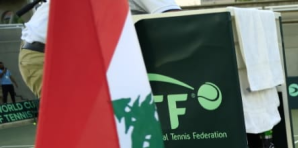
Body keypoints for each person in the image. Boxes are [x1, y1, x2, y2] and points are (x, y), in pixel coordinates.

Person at [18, 0, 180, 98]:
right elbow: (173, 19)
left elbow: (173, 20)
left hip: (77, 56)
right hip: (49, 55)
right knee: (74, 125)